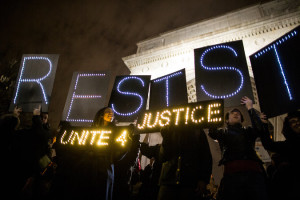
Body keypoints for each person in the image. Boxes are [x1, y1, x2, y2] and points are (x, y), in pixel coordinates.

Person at [208, 96, 268, 200]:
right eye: (232, 113)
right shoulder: (223, 132)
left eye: (238, 113)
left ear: (241, 119)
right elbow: (212, 132)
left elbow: (259, 129)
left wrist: (250, 108)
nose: (236, 113)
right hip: (232, 176)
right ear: (226, 120)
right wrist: (214, 112)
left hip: (253, 175)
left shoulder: (248, 130)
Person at [158, 124, 212, 200]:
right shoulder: (169, 130)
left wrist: (203, 180)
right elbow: (162, 158)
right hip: (169, 182)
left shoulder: (197, 131)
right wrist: (165, 139)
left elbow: (206, 157)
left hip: (187, 183)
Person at [259, 111, 300, 200]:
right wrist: (264, 125)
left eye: (299, 120)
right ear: (289, 126)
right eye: (293, 121)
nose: (297, 123)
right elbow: (268, 144)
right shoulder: (289, 145)